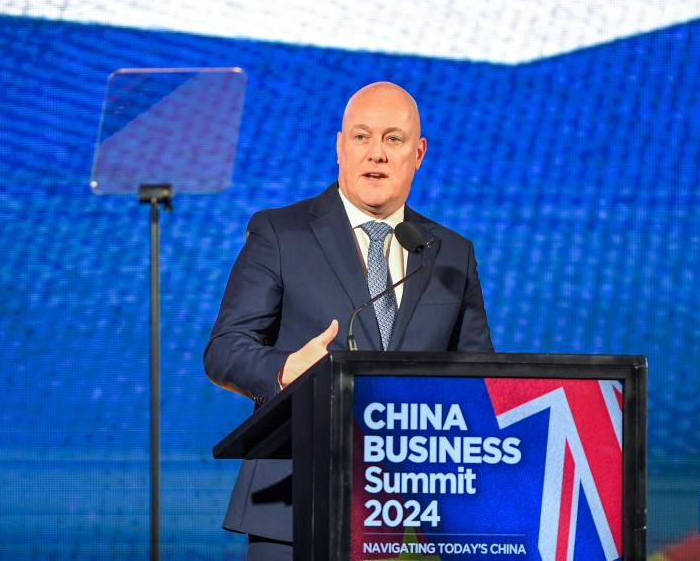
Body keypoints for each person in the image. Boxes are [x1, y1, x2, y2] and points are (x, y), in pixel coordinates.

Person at [204, 81, 494, 559]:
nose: (376, 153)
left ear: (418, 153)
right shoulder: (281, 233)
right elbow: (225, 349)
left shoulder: (449, 254)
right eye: (362, 137)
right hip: (295, 501)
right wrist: (284, 370)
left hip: (417, 514)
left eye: (393, 139)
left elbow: (479, 380)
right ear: (340, 146)